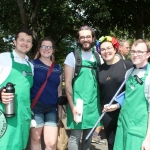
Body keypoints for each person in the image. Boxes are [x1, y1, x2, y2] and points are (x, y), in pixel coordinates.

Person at [64, 25, 101, 150]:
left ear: (93, 38)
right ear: (79, 40)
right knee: (75, 135)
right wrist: (72, 107)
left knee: (88, 136)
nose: (85, 39)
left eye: (88, 37)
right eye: (82, 37)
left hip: (93, 104)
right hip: (77, 103)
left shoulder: (98, 57)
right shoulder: (72, 57)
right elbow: (68, 84)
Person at [113, 39, 150, 150]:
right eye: (133, 51)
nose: (135, 54)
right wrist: (116, 105)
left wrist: (148, 139)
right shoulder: (129, 73)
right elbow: (128, 95)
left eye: (139, 52)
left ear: (148, 54)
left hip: (138, 131)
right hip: (122, 126)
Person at [0, 29, 33, 150]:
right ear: (14, 42)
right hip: (5, 116)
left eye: (28, 41)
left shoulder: (31, 66)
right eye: (22, 40)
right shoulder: (3, 59)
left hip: (23, 117)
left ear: (32, 45)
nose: (25, 43)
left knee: (20, 145)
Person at [98, 36, 133, 150]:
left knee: (126, 142)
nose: (106, 51)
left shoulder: (128, 66)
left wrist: (119, 104)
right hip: (107, 113)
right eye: (103, 49)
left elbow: (134, 90)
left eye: (109, 48)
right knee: (111, 143)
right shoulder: (99, 69)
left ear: (115, 49)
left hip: (125, 111)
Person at [30, 37, 62, 150]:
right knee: (36, 139)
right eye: (43, 46)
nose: (46, 49)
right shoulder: (32, 64)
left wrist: (60, 109)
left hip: (52, 108)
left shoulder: (58, 68)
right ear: (39, 48)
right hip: (36, 106)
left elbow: (59, 90)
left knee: (51, 143)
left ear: (53, 50)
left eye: (49, 47)